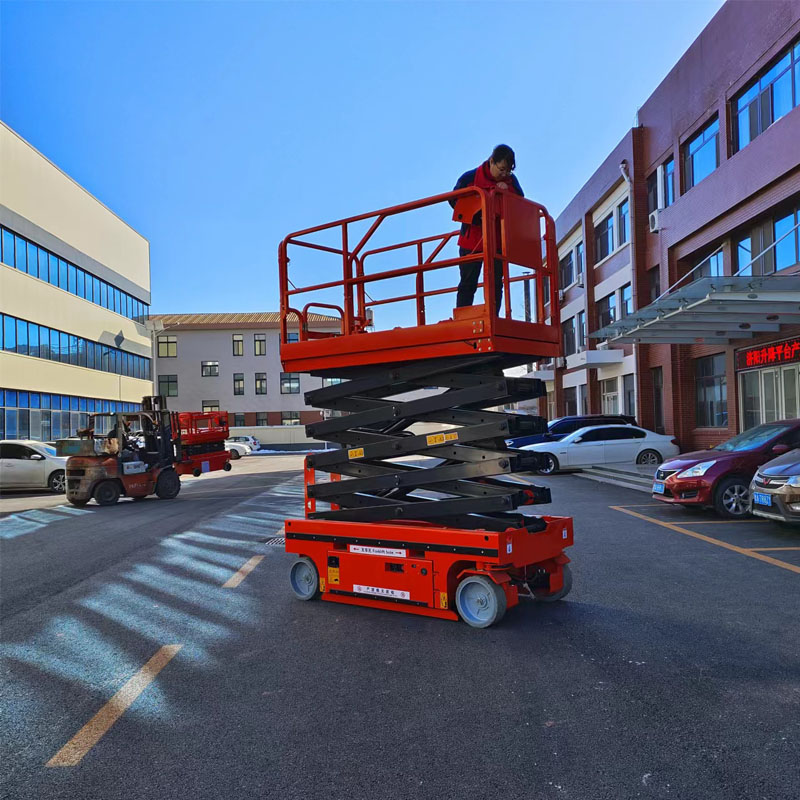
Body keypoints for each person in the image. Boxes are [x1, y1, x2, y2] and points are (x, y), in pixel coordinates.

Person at [451, 144, 524, 312]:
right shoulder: (470, 178)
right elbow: (454, 201)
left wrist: (507, 192)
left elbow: (521, 202)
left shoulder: (511, 182)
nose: (504, 175)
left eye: (508, 171)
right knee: (468, 281)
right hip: (472, 239)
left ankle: (494, 316)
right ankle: (462, 315)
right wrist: (477, 216)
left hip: (497, 240)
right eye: (502, 169)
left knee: (495, 283)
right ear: (492, 161)